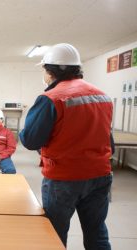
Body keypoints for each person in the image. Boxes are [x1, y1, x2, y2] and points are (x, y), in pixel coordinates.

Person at [19, 43, 113, 249]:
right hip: (100, 175)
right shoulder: (102, 96)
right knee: (97, 232)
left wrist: (21, 132)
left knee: (54, 234)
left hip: (64, 178)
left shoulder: (51, 98)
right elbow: (108, 138)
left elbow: (31, 140)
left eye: (44, 69)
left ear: (51, 71)